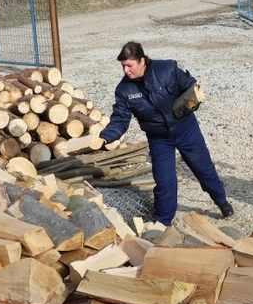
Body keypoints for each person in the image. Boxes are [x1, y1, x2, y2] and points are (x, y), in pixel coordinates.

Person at [99, 42, 232, 226]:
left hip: (186, 129)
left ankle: (222, 201)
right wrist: (105, 136)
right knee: (164, 182)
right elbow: (120, 119)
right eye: (123, 66)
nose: (126, 70)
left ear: (142, 60)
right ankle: (162, 223)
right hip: (159, 139)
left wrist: (192, 102)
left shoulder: (167, 68)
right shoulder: (124, 90)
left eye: (129, 65)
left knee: (204, 170)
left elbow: (190, 86)